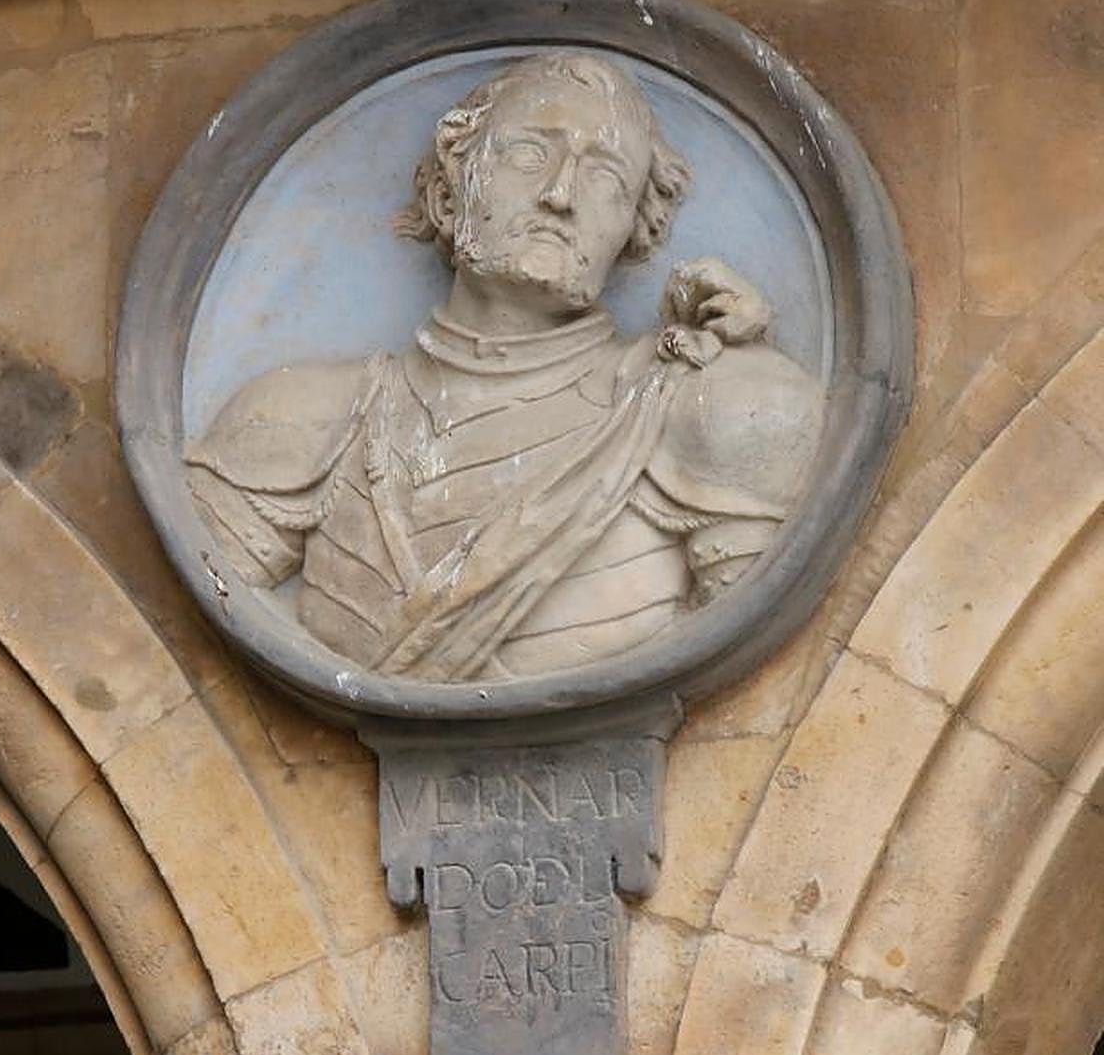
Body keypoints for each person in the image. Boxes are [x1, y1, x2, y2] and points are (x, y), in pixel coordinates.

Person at [186, 51, 823, 682]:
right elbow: (192, 630)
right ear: (445, 195)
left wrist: (738, 357)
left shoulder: (705, 405)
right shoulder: (298, 419)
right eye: (528, 155)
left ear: (636, 231)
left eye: (606, 179)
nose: (560, 196)